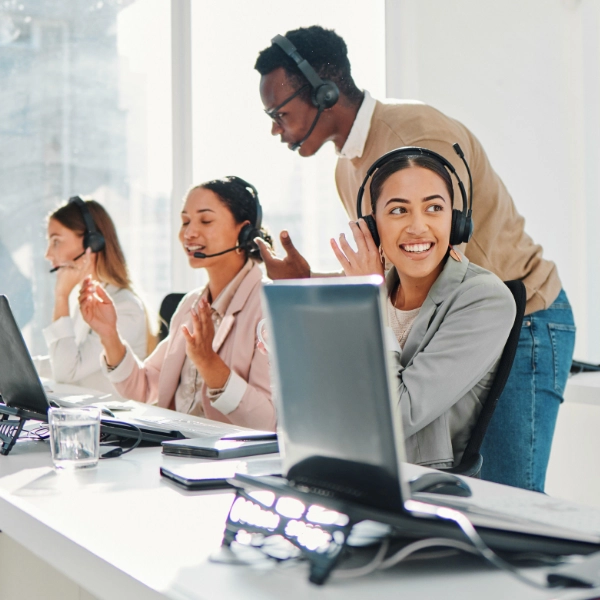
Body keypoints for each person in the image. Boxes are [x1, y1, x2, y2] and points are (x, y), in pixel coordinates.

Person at [254, 26, 575, 491]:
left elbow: (434, 252)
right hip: (440, 316)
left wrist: (364, 303)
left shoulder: (418, 136)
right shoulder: (349, 168)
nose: (274, 128)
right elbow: (397, 267)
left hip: (522, 313)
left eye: (279, 112)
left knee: (508, 497)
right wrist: (311, 282)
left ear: (323, 90)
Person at [331, 149, 515, 467]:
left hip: (421, 489)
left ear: (456, 222)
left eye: (434, 208)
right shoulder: (361, 292)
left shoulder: (485, 300)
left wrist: (369, 304)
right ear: (373, 227)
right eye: (399, 210)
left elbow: (395, 416)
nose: (418, 226)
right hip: (347, 468)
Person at [78, 177, 276, 431]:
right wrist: (109, 334)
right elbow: (144, 388)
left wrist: (209, 363)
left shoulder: (268, 305)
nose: (188, 233)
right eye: (185, 221)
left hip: (224, 460)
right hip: (176, 446)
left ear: (245, 231)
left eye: (205, 220)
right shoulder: (191, 304)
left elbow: (268, 422)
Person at [44, 198, 153, 393]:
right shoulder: (86, 300)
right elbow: (61, 360)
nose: (48, 254)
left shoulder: (123, 306)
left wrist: (61, 297)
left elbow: (65, 372)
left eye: (56, 241)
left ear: (91, 243)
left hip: (111, 421)